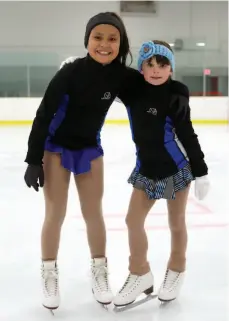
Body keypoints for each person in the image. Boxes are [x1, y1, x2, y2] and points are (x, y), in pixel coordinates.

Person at [23, 11, 143, 310]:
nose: (104, 44)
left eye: (112, 38)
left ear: (121, 42)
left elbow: (149, 96)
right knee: (56, 213)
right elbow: (44, 112)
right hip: (55, 150)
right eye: (97, 37)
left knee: (94, 213)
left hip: (89, 149)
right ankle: (49, 273)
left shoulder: (122, 77)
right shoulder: (71, 71)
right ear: (87, 40)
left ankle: (99, 271)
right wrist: (33, 159)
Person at [112, 40, 210, 307]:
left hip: (174, 169)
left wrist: (201, 172)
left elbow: (187, 133)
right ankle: (140, 272)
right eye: (150, 64)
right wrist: (79, 69)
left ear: (171, 68)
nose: (156, 70)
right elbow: (107, 75)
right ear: (141, 67)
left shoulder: (175, 93)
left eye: (163, 64)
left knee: (176, 223)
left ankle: (176, 269)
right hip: (146, 169)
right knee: (133, 221)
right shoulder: (132, 90)